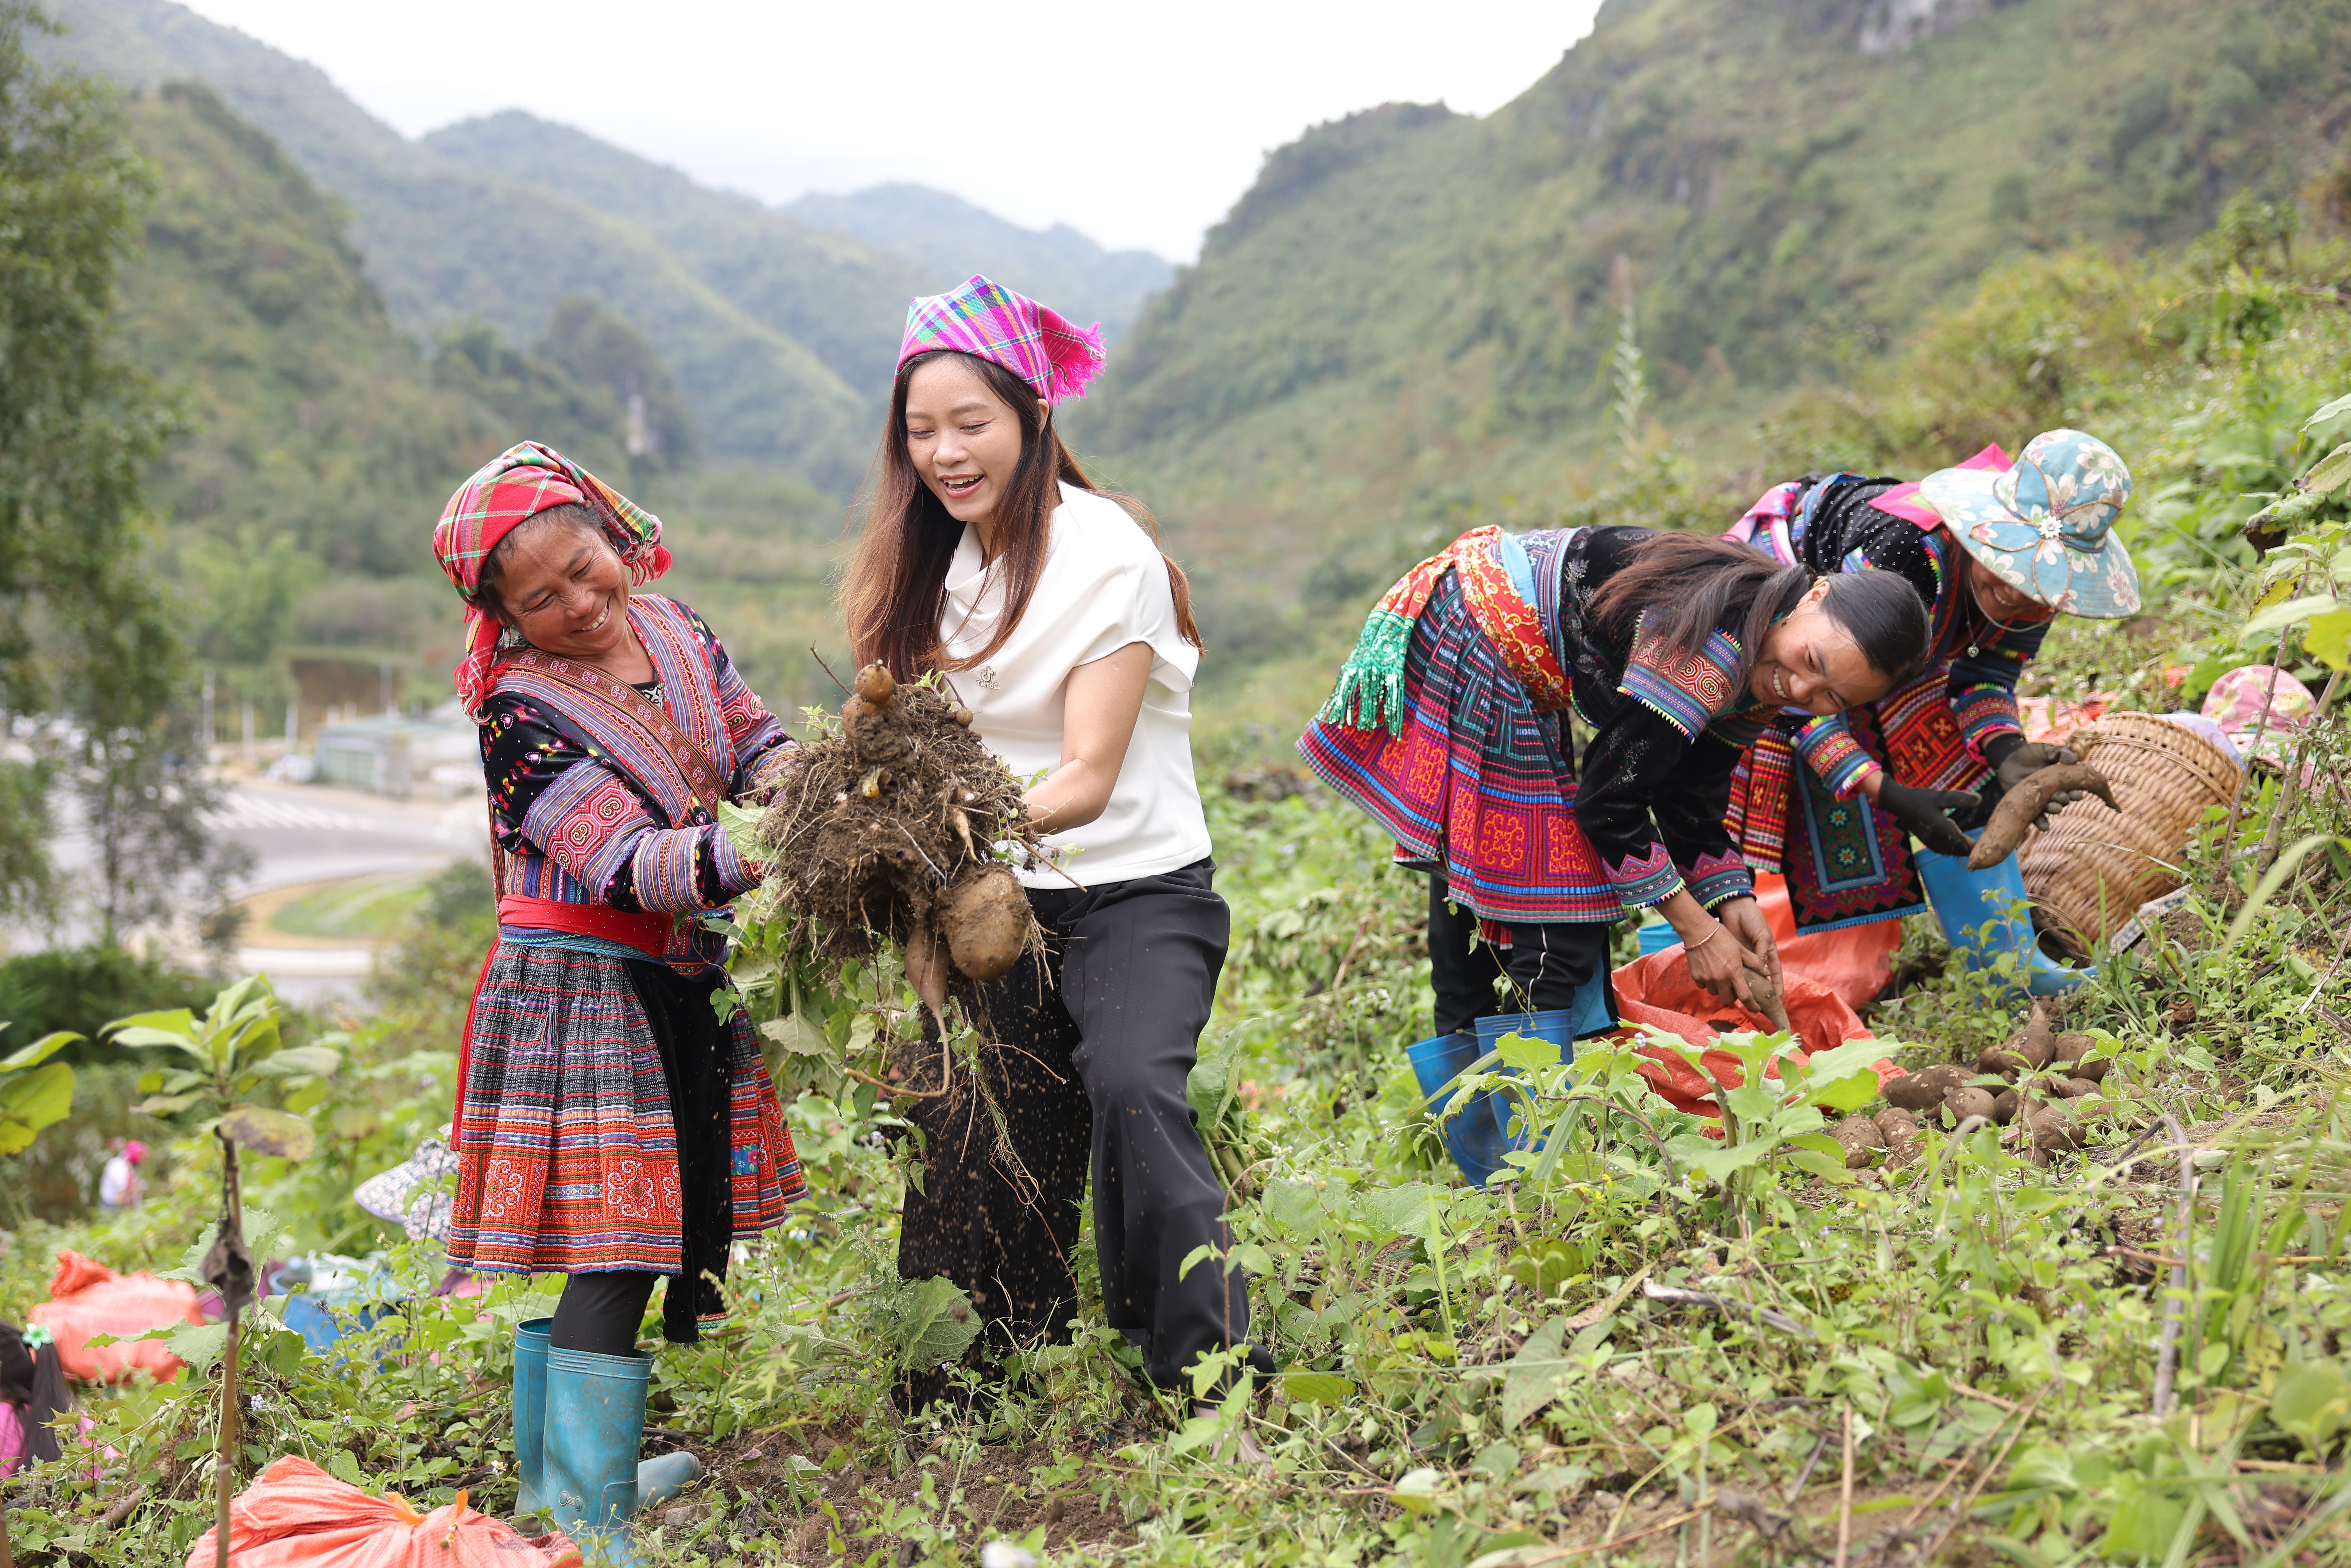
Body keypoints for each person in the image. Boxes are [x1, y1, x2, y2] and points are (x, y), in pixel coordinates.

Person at [840, 274, 1266, 1416]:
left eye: (970, 423)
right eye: (921, 431)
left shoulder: (1105, 554)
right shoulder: (933, 563)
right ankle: (971, 1377)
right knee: (968, 1103)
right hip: (997, 897)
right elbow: (911, 745)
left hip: (1135, 890)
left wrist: (951, 827)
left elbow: (1082, 776)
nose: (945, 453)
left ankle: (1205, 1369)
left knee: (1130, 1082)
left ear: (1032, 416)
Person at [430, 442, 805, 1555]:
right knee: (618, 1239)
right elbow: (632, 864)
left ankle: (561, 1491)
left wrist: (808, 789)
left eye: (589, 571)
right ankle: (589, 1526)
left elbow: (754, 741)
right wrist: (782, 842)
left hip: (676, 974)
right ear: (499, 614)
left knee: (638, 1223)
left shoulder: (680, 630)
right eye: (541, 599)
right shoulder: (517, 715)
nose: (582, 606)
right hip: (579, 986)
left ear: (615, 537)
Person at [1298, 525, 1931, 1069]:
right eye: (1811, 660)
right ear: (1813, 594)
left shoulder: (1766, 646)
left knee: (1507, 891)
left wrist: (1729, 896)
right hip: (1481, 631)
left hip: (1503, 638)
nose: (1801, 688)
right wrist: (1695, 928)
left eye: (1832, 698)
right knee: (1555, 905)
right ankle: (1523, 1139)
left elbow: (1691, 783)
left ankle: (1489, 1117)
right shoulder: (1714, 644)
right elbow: (1609, 801)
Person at [1720, 429, 2141, 995]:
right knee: (1766, 759)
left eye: (2034, 585)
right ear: (1978, 536)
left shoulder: (2037, 589)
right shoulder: (1903, 558)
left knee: (1968, 771)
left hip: (1885, 636)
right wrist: (1884, 790)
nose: (2017, 596)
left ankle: (2008, 964)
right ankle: (1708, 955)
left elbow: (1986, 675)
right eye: (2007, 570)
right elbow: (1797, 695)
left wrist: (2006, 751)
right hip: (1795, 621)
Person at [96, 1140, 144, 1210]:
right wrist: (133, 1193)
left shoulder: (123, 1164)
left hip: (109, 1203)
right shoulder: (120, 1169)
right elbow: (120, 1198)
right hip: (112, 1207)